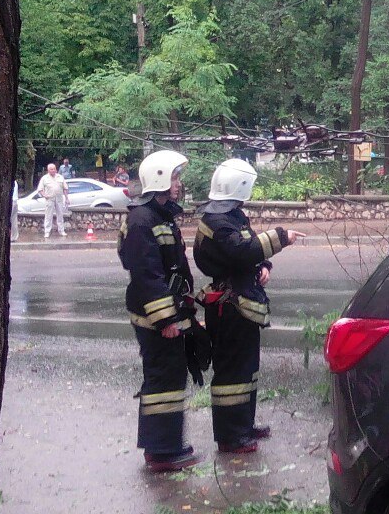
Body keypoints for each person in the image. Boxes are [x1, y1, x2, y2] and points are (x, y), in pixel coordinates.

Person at [194, 159, 305, 453]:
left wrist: (263, 265)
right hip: (229, 307)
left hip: (240, 303)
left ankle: (243, 426)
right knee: (232, 373)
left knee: (246, 370)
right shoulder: (217, 221)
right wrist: (281, 237)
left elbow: (248, 249)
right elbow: (242, 250)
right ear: (240, 186)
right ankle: (231, 437)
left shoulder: (231, 215)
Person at [119, 150, 208, 472]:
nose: (178, 184)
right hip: (155, 317)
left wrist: (183, 310)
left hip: (168, 311)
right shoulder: (143, 220)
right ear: (158, 178)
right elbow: (146, 274)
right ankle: (161, 451)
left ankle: (164, 446)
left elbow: (172, 269)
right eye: (173, 177)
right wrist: (166, 319)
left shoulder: (159, 215)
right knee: (162, 379)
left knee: (170, 376)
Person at [35, 163, 70, 238]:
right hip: (49, 199)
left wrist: (67, 198)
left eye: (54, 169)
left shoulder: (60, 177)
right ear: (48, 170)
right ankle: (47, 232)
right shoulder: (44, 178)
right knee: (48, 216)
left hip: (59, 198)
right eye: (51, 169)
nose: (53, 170)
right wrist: (44, 195)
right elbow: (40, 189)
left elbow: (65, 188)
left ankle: (61, 231)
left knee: (60, 215)